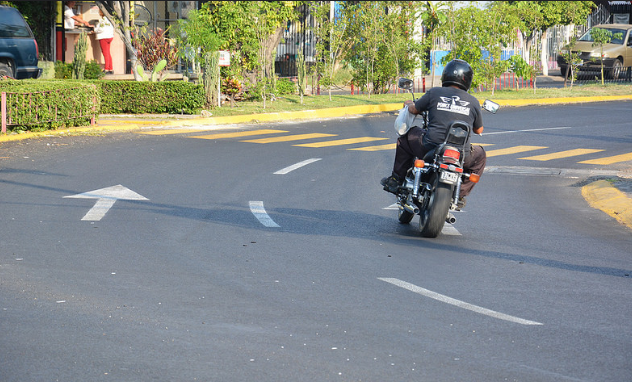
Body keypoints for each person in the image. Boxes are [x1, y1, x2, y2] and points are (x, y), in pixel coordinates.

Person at [381, 59, 487, 209]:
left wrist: (409, 104)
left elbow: (414, 110)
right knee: (481, 155)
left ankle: (396, 179)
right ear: (468, 80)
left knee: (405, 139)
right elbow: (479, 130)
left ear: (445, 75)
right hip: (460, 153)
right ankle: (461, 194)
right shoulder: (473, 101)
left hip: (430, 146)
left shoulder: (435, 93)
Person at [93, 9, 115, 74]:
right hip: (110, 37)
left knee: (105, 53)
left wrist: (94, 29)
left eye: (99, 11)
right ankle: (111, 68)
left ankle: (106, 69)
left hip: (103, 37)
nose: (99, 12)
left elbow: (100, 29)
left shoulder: (103, 20)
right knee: (108, 53)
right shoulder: (109, 19)